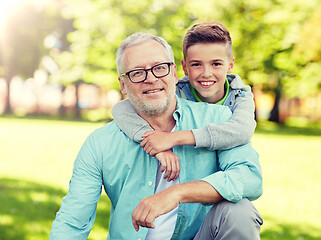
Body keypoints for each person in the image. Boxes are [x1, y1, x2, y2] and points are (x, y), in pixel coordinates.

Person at [49, 32, 263, 240]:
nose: (150, 79)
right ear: (123, 85)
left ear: (175, 74)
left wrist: (177, 193)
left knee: (239, 211)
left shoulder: (218, 118)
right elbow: (73, 220)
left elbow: (250, 178)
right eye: (137, 73)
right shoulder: (101, 143)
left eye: (159, 68)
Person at [112, 21, 256, 181]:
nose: (206, 73)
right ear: (184, 67)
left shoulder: (240, 96)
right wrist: (155, 144)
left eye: (216, 64)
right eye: (196, 64)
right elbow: (121, 110)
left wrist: (174, 138)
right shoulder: (176, 90)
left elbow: (243, 130)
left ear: (230, 65)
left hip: (226, 169)